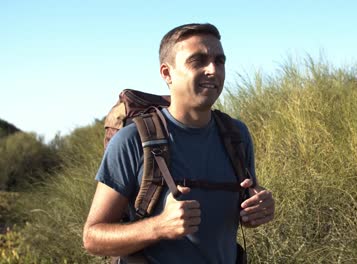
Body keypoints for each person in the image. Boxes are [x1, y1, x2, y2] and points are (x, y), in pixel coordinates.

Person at [83, 23, 275, 263]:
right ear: (167, 73)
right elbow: (92, 238)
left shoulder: (236, 136)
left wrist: (258, 209)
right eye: (198, 61)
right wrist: (160, 227)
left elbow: (241, 214)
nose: (213, 70)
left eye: (220, 61)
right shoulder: (131, 141)